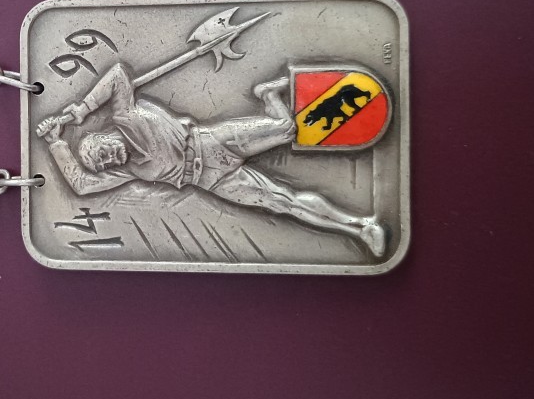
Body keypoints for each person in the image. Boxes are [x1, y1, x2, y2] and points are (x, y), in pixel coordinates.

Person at [37, 63, 385, 257]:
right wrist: (55, 143)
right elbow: (82, 186)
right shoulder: (128, 171)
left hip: (212, 142)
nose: (109, 160)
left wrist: (82, 109)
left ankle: (267, 95)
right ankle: (359, 227)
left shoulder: (126, 116)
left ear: (105, 136)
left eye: (103, 153)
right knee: (283, 202)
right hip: (213, 181)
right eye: (104, 165)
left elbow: (116, 74)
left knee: (286, 129)